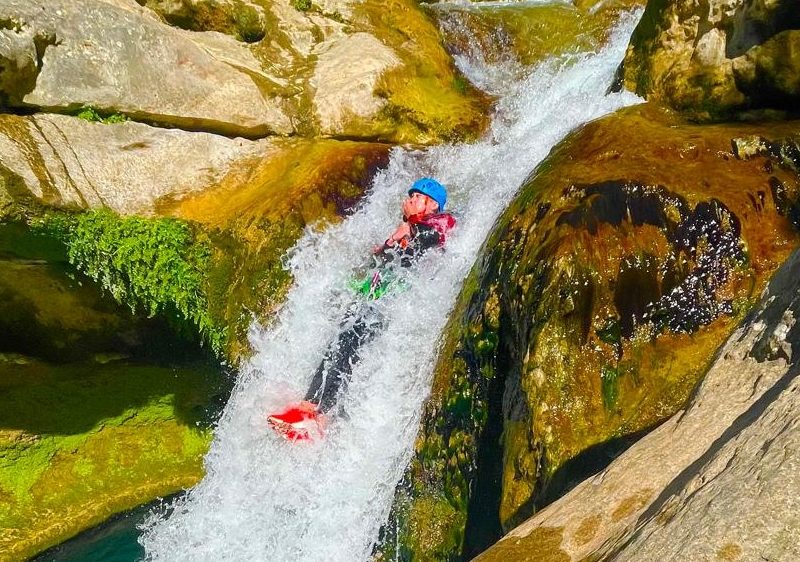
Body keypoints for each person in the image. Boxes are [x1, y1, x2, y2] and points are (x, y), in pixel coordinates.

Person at [268, 178, 456, 440]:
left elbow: (434, 237)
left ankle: (322, 419)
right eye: (410, 196)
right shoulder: (408, 226)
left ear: (432, 204)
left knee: (347, 349)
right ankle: (307, 407)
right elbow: (383, 263)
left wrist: (410, 228)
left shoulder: (440, 220)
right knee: (335, 345)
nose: (410, 200)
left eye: (417, 197)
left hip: (388, 306)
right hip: (371, 299)